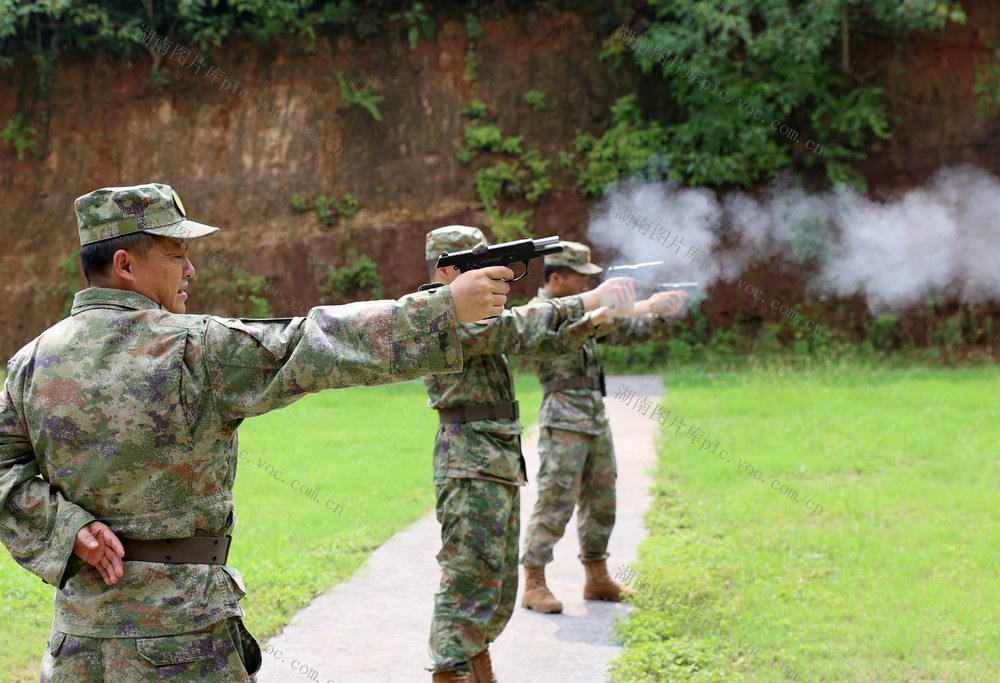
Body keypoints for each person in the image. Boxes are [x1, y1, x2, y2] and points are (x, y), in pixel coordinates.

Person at [0, 183, 509, 682]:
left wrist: (66, 529)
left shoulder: (30, 363)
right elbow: (312, 344)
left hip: (76, 648)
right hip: (184, 647)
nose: (190, 269)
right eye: (177, 253)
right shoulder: (192, 349)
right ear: (125, 266)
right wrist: (441, 309)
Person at [421, 226, 637, 683]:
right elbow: (517, 328)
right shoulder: (440, 309)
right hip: (469, 456)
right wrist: (586, 299)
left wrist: (592, 321)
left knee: (495, 578)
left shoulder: (472, 307)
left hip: (491, 453)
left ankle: (477, 667)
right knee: (466, 574)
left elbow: (536, 340)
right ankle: (450, 670)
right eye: (476, 258)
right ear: (448, 267)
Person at [519, 241, 686, 614]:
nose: (587, 287)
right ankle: (533, 582)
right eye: (581, 279)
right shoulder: (540, 312)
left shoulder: (587, 309)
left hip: (594, 415)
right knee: (555, 500)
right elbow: (580, 322)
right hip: (562, 419)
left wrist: (658, 314)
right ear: (556, 277)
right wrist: (638, 306)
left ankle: (597, 577)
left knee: (601, 499)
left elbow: (627, 332)